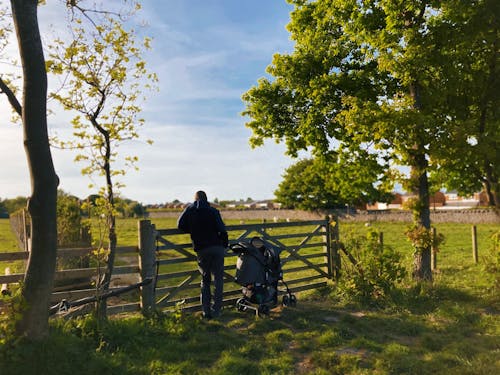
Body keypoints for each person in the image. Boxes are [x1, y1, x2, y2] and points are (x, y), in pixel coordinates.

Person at [177, 191, 228, 319]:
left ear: (195, 199)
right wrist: (224, 245)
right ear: (206, 199)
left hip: (202, 248)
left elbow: (180, 225)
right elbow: (222, 230)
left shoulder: (190, 210)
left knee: (205, 280)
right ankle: (216, 311)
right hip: (217, 247)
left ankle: (206, 312)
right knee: (218, 280)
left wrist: (192, 230)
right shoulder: (213, 211)